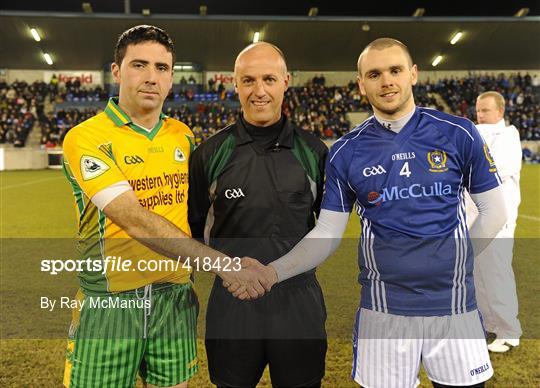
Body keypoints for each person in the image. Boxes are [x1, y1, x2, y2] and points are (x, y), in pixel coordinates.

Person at [227, 38, 510, 388]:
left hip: (453, 306)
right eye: (375, 74)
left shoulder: (458, 133)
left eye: (395, 70)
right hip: (383, 310)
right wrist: (272, 273)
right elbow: (328, 232)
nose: (386, 81)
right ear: (362, 84)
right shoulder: (346, 151)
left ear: (413, 74)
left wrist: (457, 256)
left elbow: (494, 211)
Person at [61, 25, 267, 388]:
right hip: (111, 303)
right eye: (139, 65)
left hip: (175, 297)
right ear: (116, 71)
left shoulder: (183, 135)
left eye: (161, 68)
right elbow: (134, 220)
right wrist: (226, 266)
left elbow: (200, 212)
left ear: (172, 77)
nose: (151, 77)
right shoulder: (85, 138)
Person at [188, 42, 328, 388]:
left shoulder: (314, 152)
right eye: (248, 80)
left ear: (286, 81)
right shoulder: (209, 155)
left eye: (269, 79)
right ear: (234, 84)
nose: (259, 90)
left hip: (299, 305)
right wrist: (229, 271)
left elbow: (327, 232)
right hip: (232, 306)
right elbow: (193, 235)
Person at [472, 91, 522, 352]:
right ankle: (490, 324)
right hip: (474, 217)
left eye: (486, 110)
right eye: (478, 110)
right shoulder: (475, 132)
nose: (480, 115)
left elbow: (494, 168)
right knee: (479, 274)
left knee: (497, 273)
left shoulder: (508, 135)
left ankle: (509, 331)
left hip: (498, 217)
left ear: (500, 112)